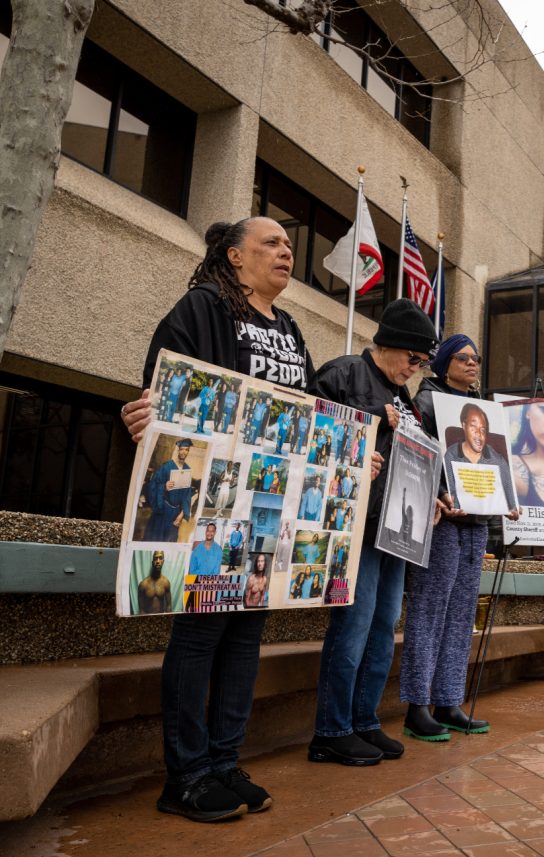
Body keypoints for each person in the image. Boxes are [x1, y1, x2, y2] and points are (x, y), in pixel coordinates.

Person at [119, 217, 332, 823]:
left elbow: (312, 412)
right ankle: (184, 776)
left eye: (291, 244)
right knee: (199, 638)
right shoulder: (201, 309)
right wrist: (147, 417)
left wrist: (351, 452)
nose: (287, 251)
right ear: (235, 256)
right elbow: (164, 391)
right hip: (208, 513)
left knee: (243, 639)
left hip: (265, 516)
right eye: (273, 243)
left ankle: (222, 760)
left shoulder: (290, 329)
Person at [309, 298, 438, 767]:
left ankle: (363, 720)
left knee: (383, 630)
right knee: (354, 627)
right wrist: (367, 423)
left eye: (422, 362)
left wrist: (432, 499)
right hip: (354, 528)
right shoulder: (342, 374)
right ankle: (331, 730)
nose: (415, 368)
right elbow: (310, 433)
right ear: (391, 345)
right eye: (414, 358)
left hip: (394, 530)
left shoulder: (406, 399)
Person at [403, 334, 516, 741]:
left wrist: (507, 499)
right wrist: (438, 494)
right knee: (430, 611)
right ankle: (417, 707)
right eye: (463, 358)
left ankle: (448, 701)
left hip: (477, 523)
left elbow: (493, 465)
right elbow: (415, 453)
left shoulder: (484, 409)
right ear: (444, 363)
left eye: (476, 358)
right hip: (442, 522)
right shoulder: (428, 402)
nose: (472, 364)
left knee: (463, 614)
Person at [443, 402, 518, 514]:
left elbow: (511, 500)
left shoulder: (497, 460)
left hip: (484, 524)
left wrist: (514, 510)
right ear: (464, 425)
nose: (479, 434)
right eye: (473, 427)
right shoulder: (451, 455)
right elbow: (450, 493)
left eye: (483, 430)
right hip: (454, 522)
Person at [141, 438, 195, 542]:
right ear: (178, 450)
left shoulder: (187, 470)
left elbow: (187, 496)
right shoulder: (167, 467)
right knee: (156, 538)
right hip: (163, 509)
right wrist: (164, 486)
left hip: (176, 513)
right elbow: (153, 485)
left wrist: (181, 515)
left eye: (187, 449)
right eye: (182, 449)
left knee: (170, 540)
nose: (184, 452)